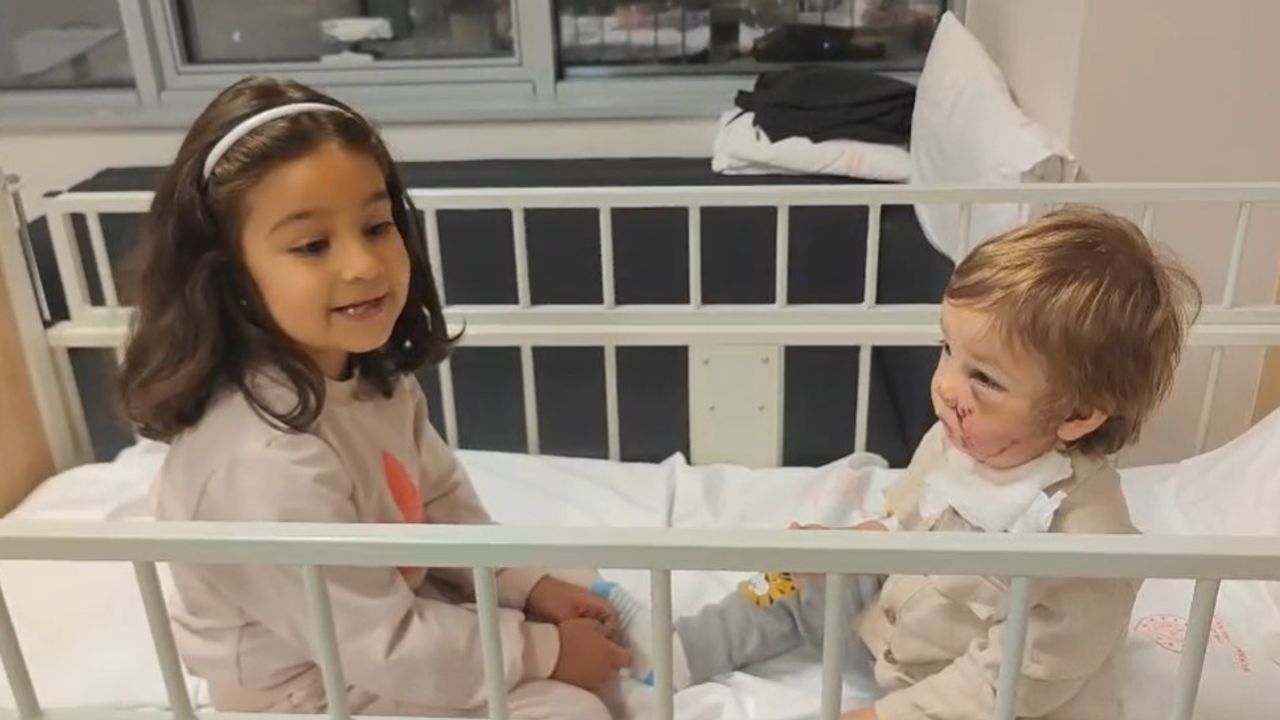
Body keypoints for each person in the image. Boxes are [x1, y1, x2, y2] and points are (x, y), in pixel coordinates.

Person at [118, 76, 628, 719]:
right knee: (568, 709)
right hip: (308, 691)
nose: (363, 264)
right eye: (312, 245)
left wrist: (525, 586)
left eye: (377, 226)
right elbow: (376, 643)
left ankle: (652, 652)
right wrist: (543, 653)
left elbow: (441, 508)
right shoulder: (260, 460)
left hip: (387, 626)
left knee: (577, 588)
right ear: (231, 277)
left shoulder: (372, 382)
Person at [596, 207, 1201, 719]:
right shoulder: (954, 442)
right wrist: (839, 546)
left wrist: (881, 715)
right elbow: (901, 526)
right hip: (894, 630)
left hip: (970, 698)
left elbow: (1009, 683)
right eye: (947, 350)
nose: (946, 386)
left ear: (1078, 414)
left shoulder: (1087, 547)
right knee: (790, 580)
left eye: (985, 379)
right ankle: (681, 649)